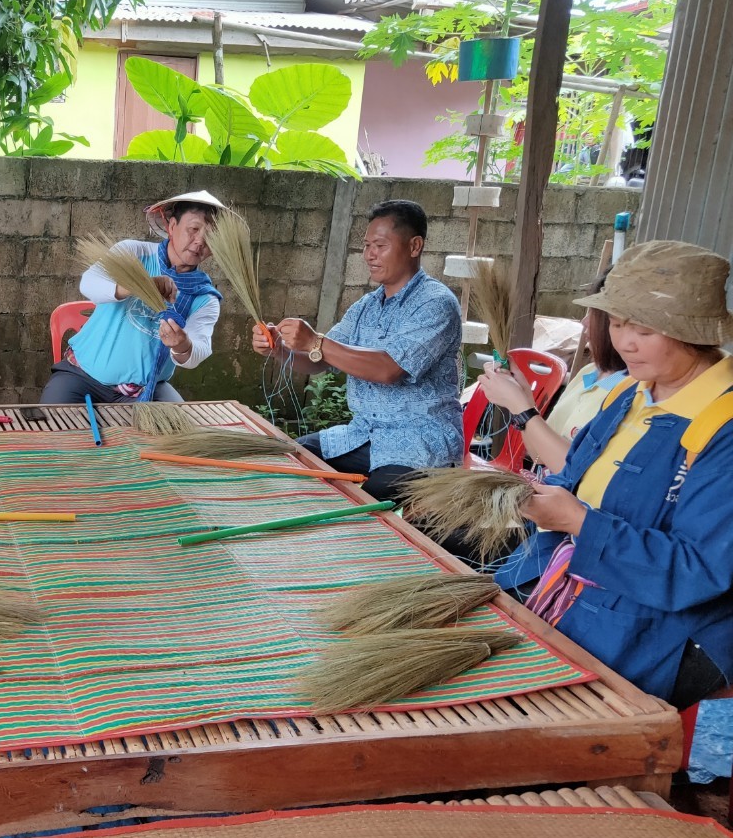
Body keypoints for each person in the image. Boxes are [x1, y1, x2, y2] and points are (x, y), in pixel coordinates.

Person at [494, 240, 733, 708]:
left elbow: (700, 570)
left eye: (643, 329)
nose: (624, 342)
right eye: (618, 324)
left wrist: (581, 523)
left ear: (692, 333)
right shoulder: (628, 394)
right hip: (572, 579)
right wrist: (539, 502)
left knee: (528, 714)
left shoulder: (721, 425)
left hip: (666, 624)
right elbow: (574, 477)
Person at [251, 200, 462, 502]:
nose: (369, 255)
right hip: (365, 434)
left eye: (380, 245)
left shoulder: (436, 303)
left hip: (420, 443)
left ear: (414, 246)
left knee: (369, 500)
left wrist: (315, 341)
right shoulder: (366, 306)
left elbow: (389, 370)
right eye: (366, 246)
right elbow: (320, 360)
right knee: (288, 460)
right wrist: (280, 350)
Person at [39, 190, 225, 405]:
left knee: (179, 434)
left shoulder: (205, 297)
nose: (200, 241)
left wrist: (182, 344)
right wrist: (138, 285)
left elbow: (198, 351)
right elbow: (89, 283)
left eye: (211, 235)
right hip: (81, 377)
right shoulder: (133, 254)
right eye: (193, 229)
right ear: (172, 227)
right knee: (53, 426)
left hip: (148, 389)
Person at [475, 266, 627, 474]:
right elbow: (537, 454)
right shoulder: (589, 373)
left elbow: (575, 471)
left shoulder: (629, 393)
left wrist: (520, 406)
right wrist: (523, 396)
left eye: (595, 314)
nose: (584, 322)